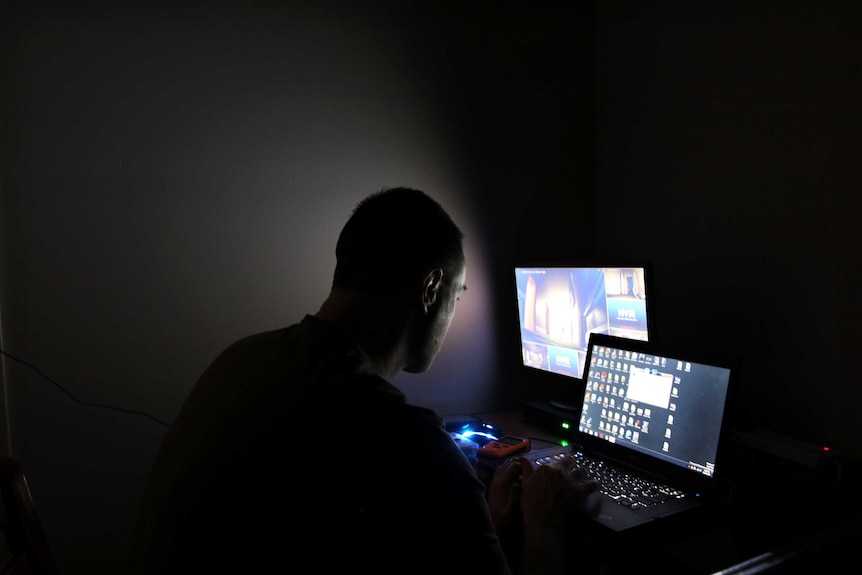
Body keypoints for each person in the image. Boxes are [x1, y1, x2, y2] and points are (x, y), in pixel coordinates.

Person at [127, 187, 598, 575]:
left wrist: (482, 525)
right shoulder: (404, 439)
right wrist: (544, 522)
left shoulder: (241, 359)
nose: (453, 312)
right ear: (431, 288)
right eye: (457, 294)